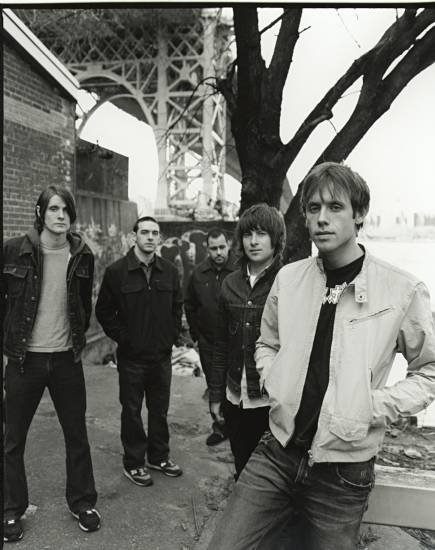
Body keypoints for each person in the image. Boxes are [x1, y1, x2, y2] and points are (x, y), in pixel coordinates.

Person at [208, 162, 435, 550]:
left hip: (344, 470)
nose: (322, 219)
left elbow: (429, 370)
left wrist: (373, 405)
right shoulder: (289, 279)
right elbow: (267, 343)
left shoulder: (401, 290)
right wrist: (275, 381)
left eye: (335, 207)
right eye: (313, 208)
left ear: (359, 214)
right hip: (277, 451)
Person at [3, 186, 100, 543]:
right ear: (40, 212)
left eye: (66, 210)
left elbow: (83, 305)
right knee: (12, 439)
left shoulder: (83, 255)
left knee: (77, 436)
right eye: (54, 209)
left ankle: (82, 503)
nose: (61, 216)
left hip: (65, 361)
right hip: (24, 360)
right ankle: (10, 509)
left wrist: (73, 340)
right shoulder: (14, 250)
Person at [95, 216, 183, 488]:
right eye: (144, 232)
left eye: (154, 233)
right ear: (134, 236)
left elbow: (176, 307)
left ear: (159, 238)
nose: (150, 237)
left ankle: (159, 457)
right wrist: (126, 339)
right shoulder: (116, 272)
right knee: (131, 411)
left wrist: (169, 338)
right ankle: (133, 462)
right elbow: (104, 312)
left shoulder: (169, 271)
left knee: (159, 410)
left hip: (161, 357)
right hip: (132, 358)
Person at [208, 204, 286, 479]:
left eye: (262, 234)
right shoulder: (230, 283)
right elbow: (221, 345)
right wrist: (215, 394)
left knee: (272, 474)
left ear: (275, 239)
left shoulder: (288, 281)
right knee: (241, 465)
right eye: (248, 234)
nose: (253, 241)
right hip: (235, 396)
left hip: (270, 399)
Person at [185, 228, 235, 446]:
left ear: (229, 245)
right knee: (214, 385)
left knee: (236, 385)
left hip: (235, 343)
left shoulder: (239, 270)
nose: (218, 252)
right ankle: (220, 428)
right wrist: (197, 335)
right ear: (207, 249)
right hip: (209, 343)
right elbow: (190, 305)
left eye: (222, 247)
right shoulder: (198, 274)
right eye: (214, 248)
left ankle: (237, 430)